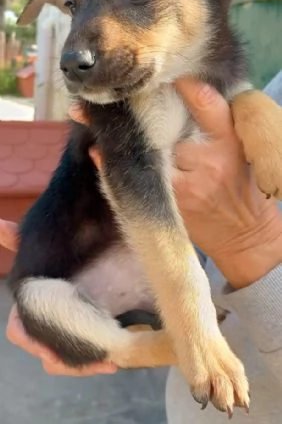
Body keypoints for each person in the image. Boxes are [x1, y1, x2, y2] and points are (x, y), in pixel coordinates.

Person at [1, 74, 282, 423]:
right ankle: (135, 347)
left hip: (220, 366)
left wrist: (249, 240)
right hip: (109, 279)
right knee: (37, 297)